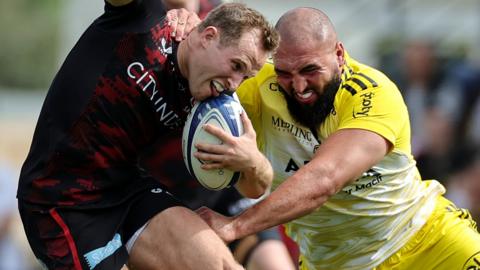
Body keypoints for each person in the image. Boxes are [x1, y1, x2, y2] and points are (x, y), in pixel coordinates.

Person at [196, 7, 480, 270]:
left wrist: (234, 227)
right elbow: (194, 65)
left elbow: (325, 179)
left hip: (429, 244)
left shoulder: (374, 94)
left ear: (339, 55)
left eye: (310, 70)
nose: (298, 86)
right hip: (331, 264)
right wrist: (182, 19)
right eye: (285, 73)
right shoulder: (257, 88)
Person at [17, 1, 279, 269]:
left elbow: (256, 187)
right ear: (208, 36)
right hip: (61, 199)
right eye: (236, 65)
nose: (234, 85)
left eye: (245, 77)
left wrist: (251, 161)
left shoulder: (211, 101)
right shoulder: (143, 19)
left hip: (128, 191)